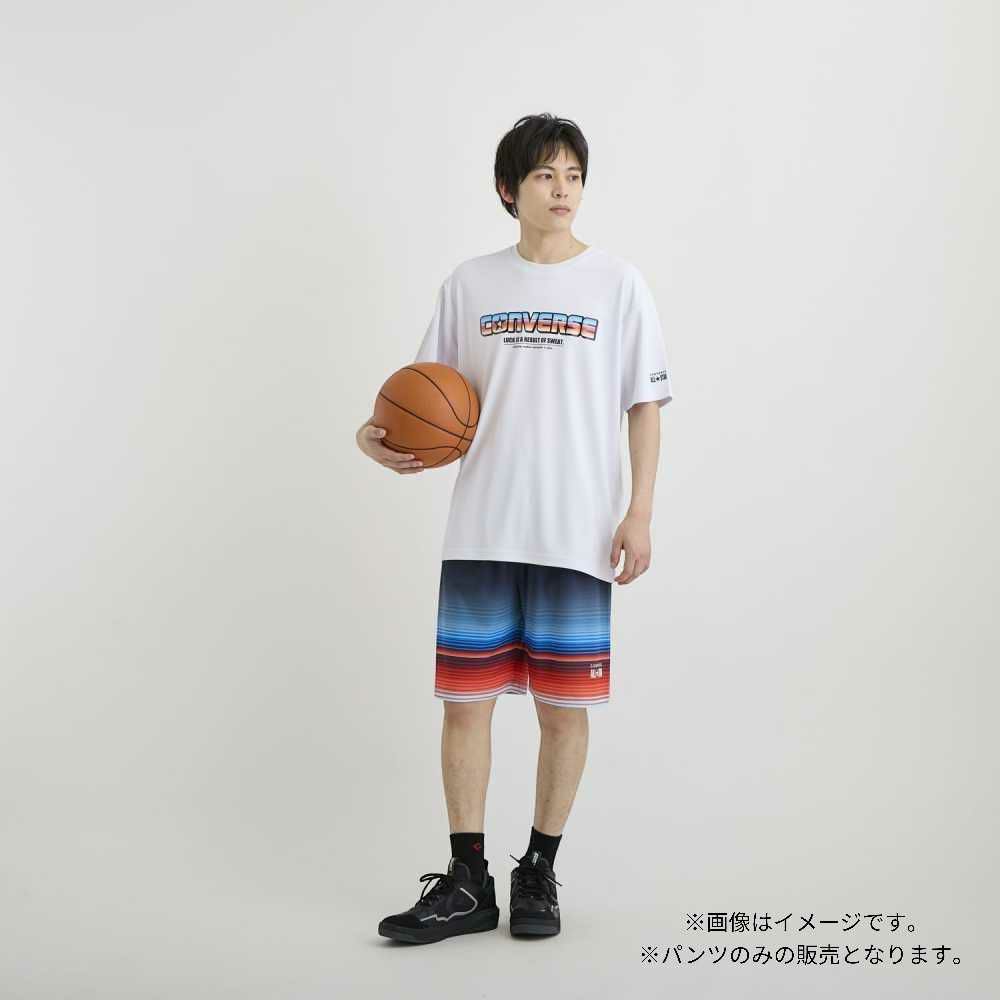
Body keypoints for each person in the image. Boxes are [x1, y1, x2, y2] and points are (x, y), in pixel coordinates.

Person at [357, 113, 674, 944]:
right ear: (509, 189)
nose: (562, 189)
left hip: (577, 531)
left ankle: (538, 869)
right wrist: (371, 436)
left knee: (563, 711)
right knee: (466, 705)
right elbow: (422, 393)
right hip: (483, 528)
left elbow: (645, 404)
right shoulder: (471, 284)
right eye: (544, 175)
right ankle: (468, 883)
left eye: (573, 174)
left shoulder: (617, 283)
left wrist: (640, 510)